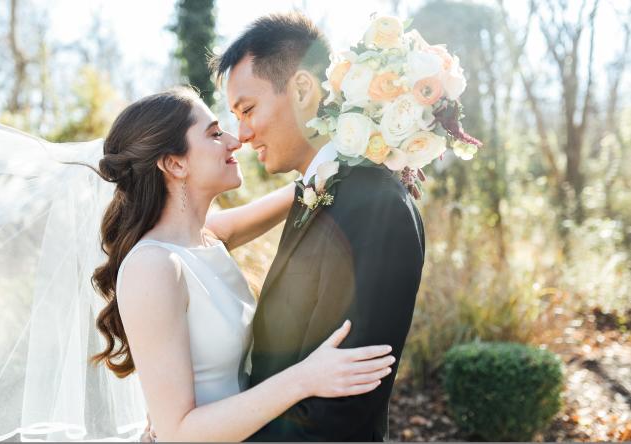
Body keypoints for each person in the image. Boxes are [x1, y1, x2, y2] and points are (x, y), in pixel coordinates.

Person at [89, 86, 397, 442]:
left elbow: (307, 188)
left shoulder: (207, 237)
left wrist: (379, 145)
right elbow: (178, 432)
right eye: (215, 133)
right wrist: (305, 378)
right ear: (175, 163)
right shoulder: (154, 267)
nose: (235, 141)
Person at [210, 12, 425, 441]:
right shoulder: (319, 190)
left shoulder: (375, 204)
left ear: (304, 89)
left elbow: (344, 406)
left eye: (248, 110)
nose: (243, 134)